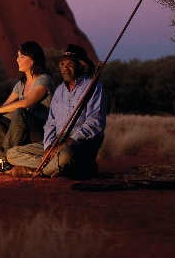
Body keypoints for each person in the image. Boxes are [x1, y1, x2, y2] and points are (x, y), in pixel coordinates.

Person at [6, 44, 106, 179]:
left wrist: (68, 142)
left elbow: (95, 122)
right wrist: (48, 146)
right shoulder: (59, 91)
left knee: (66, 155)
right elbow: (50, 123)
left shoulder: (92, 87)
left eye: (69, 64)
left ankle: (38, 170)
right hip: (57, 141)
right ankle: (58, 168)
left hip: (78, 142)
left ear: (81, 66)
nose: (64, 68)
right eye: (62, 64)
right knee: (12, 154)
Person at [0, 41, 53, 173]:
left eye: (22, 56)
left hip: (40, 133)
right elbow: (5, 106)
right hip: (24, 131)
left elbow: (26, 103)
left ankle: (4, 159)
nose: (17, 59)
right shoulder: (21, 84)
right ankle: (6, 159)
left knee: (20, 111)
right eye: (17, 56)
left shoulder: (44, 80)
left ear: (33, 60)